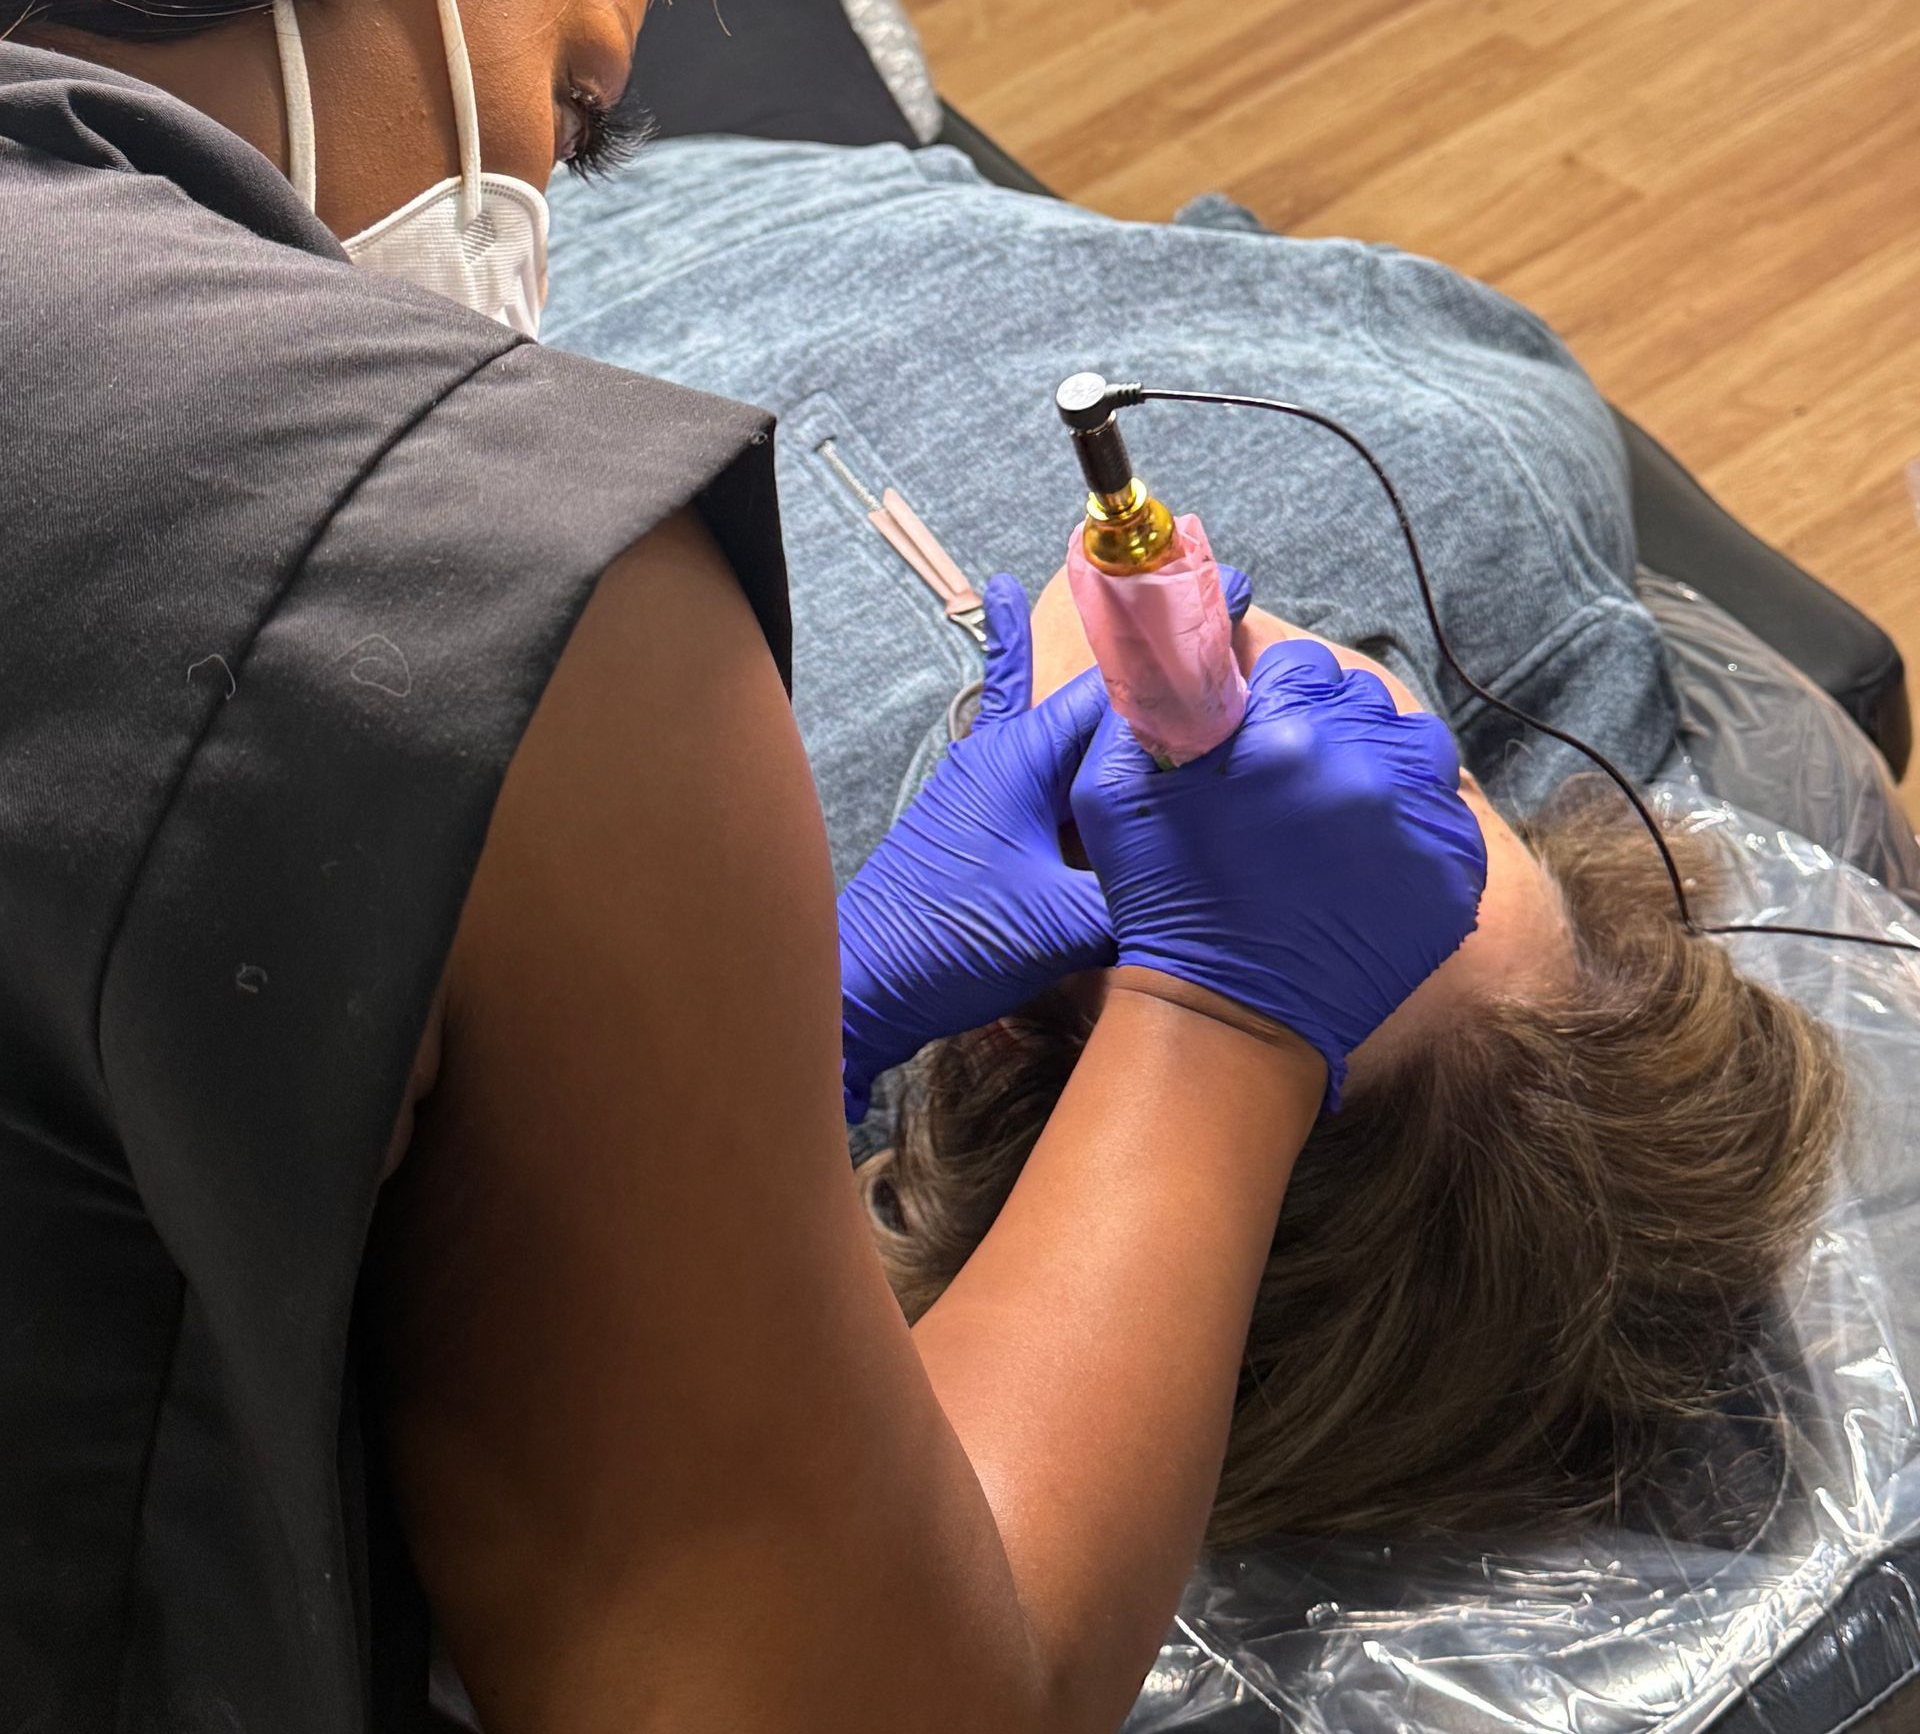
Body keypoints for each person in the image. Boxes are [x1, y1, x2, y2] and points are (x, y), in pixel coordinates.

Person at [0, 0, 1488, 1734]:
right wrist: (1228, 1012)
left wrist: (736, 1036)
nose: (542, 223)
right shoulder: (453, 562)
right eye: (573, 105)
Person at [539, 129, 1848, 1546]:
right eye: (1431, 804)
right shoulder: (1479, 493)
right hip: (721, 166)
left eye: (1237, 878)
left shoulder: (682, 971)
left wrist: (799, 1035)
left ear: (1005, 1041)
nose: (1285, 678)